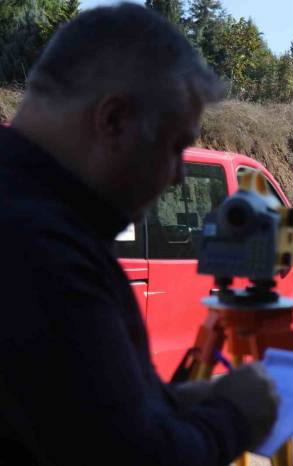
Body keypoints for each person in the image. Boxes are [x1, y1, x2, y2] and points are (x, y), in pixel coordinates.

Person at [0, 4, 278, 465]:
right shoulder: (44, 250)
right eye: (175, 148)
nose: (177, 179)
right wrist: (234, 415)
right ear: (113, 121)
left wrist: (171, 404)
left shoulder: (37, 217)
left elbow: (78, 416)